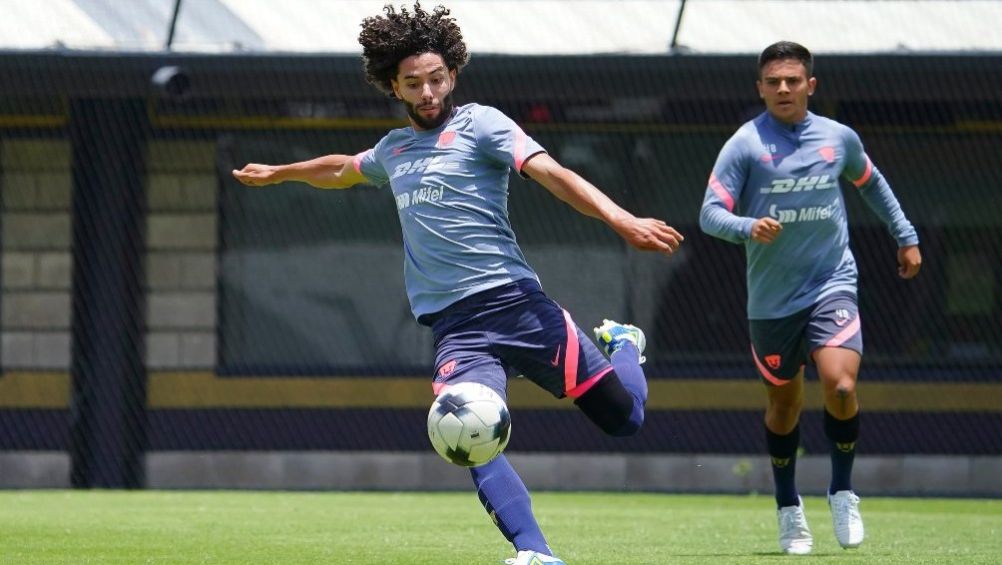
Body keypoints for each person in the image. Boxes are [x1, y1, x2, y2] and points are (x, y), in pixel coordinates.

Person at [233, 4, 683, 564]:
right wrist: (281, 173)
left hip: (518, 305)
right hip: (456, 329)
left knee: (625, 421)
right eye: (413, 82)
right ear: (393, 86)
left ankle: (624, 348)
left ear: (453, 75)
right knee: (468, 428)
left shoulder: (483, 125)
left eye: (436, 79)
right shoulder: (394, 150)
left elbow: (555, 175)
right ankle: (536, 554)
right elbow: (343, 167)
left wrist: (621, 219)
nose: (427, 92)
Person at [699, 41, 921, 555]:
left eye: (792, 80)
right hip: (773, 303)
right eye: (773, 81)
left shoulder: (838, 139)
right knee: (784, 406)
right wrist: (748, 226)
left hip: (832, 283)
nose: (783, 89)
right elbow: (711, 213)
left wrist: (905, 235)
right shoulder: (744, 145)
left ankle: (843, 492)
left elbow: (872, 183)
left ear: (810, 86)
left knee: (841, 386)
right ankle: (788, 508)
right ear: (760, 88)